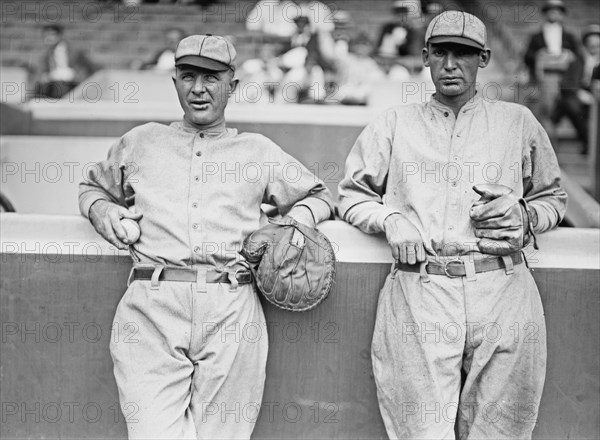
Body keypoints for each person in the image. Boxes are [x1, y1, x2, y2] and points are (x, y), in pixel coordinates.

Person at [79, 34, 333, 439]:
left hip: (231, 305)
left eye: (212, 78)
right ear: (175, 80)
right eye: (188, 76)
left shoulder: (257, 151)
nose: (199, 88)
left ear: (231, 86)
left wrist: (290, 222)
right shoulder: (141, 142)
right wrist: (102, 210)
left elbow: (319, 195)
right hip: (152, 304)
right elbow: (92, 187)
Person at [338, 11, 567, 439]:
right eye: (440, 52)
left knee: (500, 433)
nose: (450, 64)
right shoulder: (394, 123)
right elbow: (351, 195)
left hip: (502, 284)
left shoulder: (517, 122)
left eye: (463, 54)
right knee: (420, 432)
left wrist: (526, 216)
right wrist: (390, 218)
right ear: (424, 56)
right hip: (421, 286)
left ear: (484, 58)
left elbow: (552, 197)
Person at [551, 24, 600, 154]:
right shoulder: (577, 61)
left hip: (595, 99)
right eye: (591, 44)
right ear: (586, 45)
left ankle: (589, 144)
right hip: (575, 98)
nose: (595, 47)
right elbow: (566, 83)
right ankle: (588, 143)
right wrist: (579, 93)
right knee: (572, 104)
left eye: (598, 44)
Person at [32, 24, 96, 99]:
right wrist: (44, 76)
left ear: (60, 35)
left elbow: (88, 69)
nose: (48, 38)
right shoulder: (45, 54)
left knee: (59, 87)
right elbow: (41, 72)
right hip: (52, 83)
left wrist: (76, 75)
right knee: (41, 89)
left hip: (71, 83)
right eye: (46, 35)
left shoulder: (74, 51)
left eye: (52, 35)